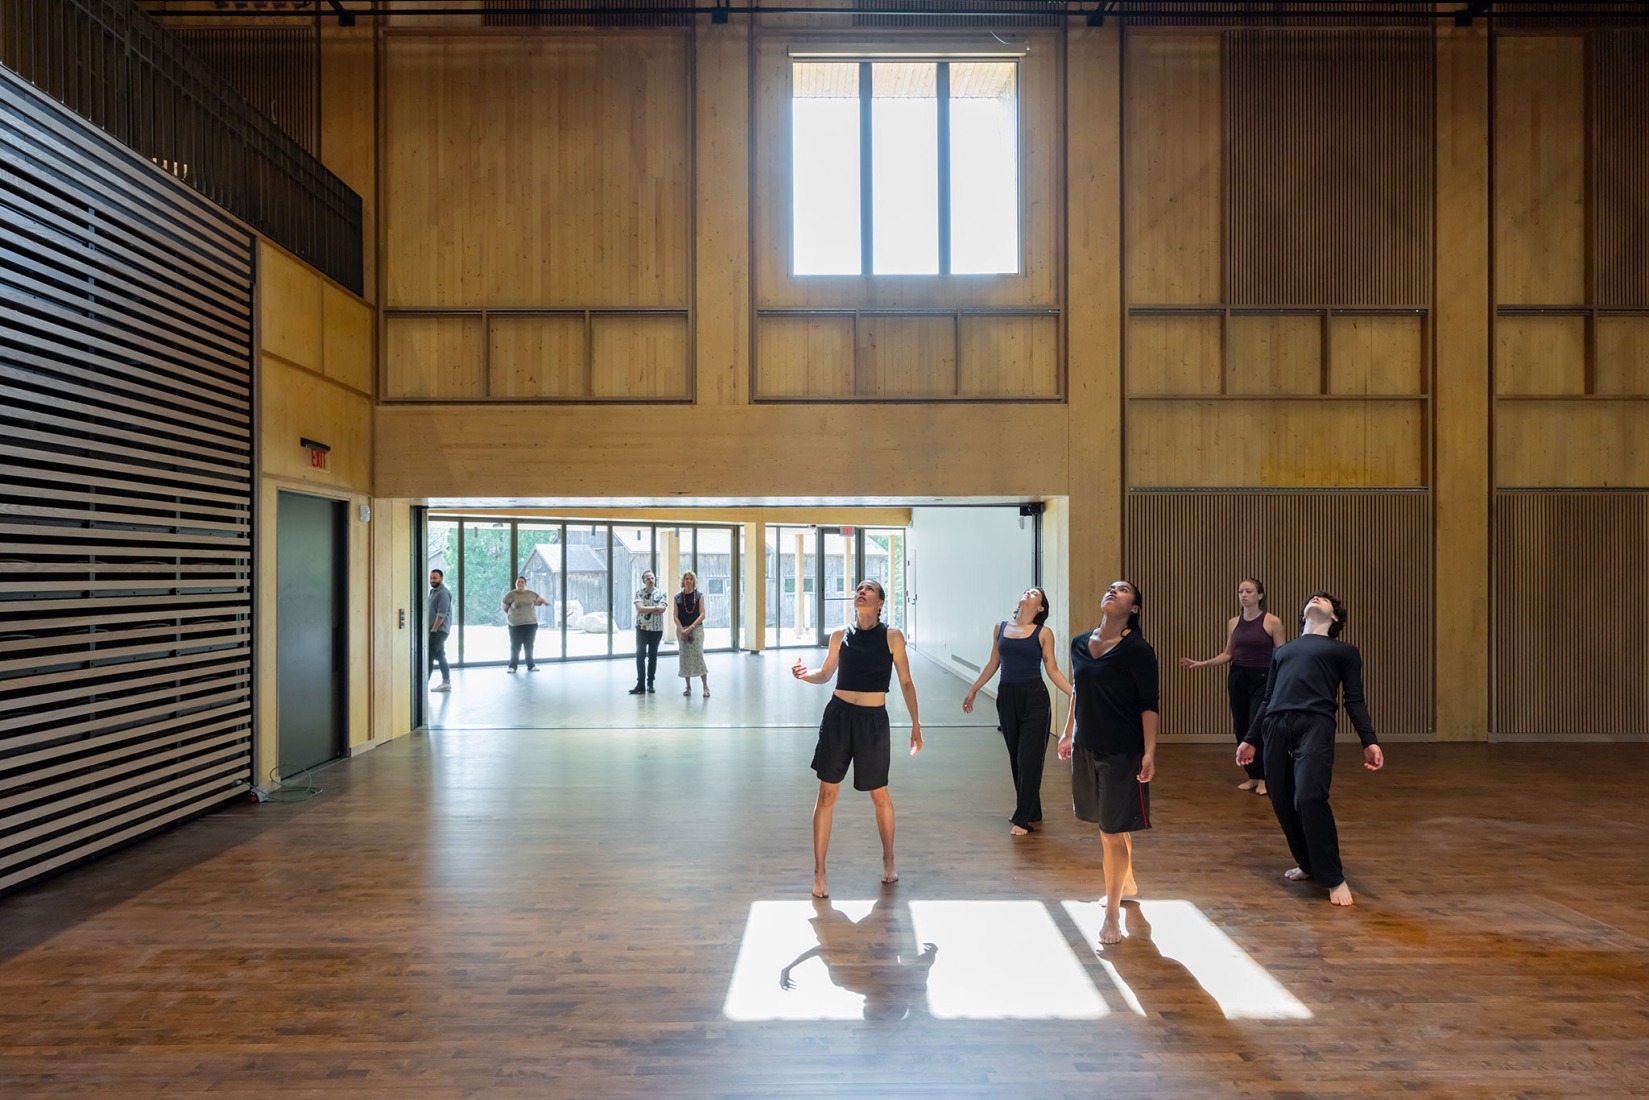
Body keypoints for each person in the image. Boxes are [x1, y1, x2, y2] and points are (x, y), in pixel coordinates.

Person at [1237, 591, 1384, 907]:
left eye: (1324, 600)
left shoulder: (1344, 651)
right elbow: (1267, 698)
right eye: (1312, 599)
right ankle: (1307, 863)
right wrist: (1250, 738)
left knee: (1308, 796)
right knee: (1280, 797)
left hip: (1315, 724)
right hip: (1275, 724)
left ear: (1335, 619)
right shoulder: (1284, 651)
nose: (1316, 598)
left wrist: (1368, 740)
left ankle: (1333, 876)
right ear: (1303, 616)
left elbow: (1353, 699)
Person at [791, 580, 923, 899]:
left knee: (880, 795)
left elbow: (905, 682)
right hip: (838, 717)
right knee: (826, 795)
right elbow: (825, 674)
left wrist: (916, 724)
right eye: (858, 588)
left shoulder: (892, 636)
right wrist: (804, 674)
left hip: (873, 722)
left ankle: (888, 859)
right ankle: (820, 872)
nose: (861, 591)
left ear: (880, 602)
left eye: (869, 589)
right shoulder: (839, 635)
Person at [1059, 580, 1157, 946]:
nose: (1113, 591)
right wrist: (1068, 732)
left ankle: (1113, 913)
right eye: (1111, 587)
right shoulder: (1080, 643)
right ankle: (1127, 882)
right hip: (1086, 746)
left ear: (1134, 608)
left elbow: (1149, 703)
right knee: (1108, 825)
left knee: (1110, 832)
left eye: (1125, 589)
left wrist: (1150, 752)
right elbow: (1078, 690)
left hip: (1123, 751)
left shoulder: (1138, 650)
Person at [962, 587, 1075, 835]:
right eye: (1026, 591)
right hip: (1007, 697)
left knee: (1029, 758)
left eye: (1034, 593)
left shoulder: (1043, 633)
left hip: (1035, 698)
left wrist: (1074, 692)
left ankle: (1023, 818)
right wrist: (974, 689)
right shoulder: (1000, 628)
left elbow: (1052, 669)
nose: (1028, 593)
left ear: (1041, 607)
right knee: (1016, 757)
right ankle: (1032, 810)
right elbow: (994, 663)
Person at [1179, 578, 1287, 796]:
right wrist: (1202, 663)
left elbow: (1282, 655)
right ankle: (1253, 776)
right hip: (1238, 676)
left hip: (1264, 678)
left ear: (1260, 595)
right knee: (1241, 726)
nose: (1243, 595)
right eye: (1240, 591)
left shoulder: (1272, 621)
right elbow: (1229, 654)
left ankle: (1265, 777)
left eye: (1248, 591)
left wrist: (1283, 681)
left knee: (1257, 727)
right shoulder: (1233, 622)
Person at [629, 570, 667, 695]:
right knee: (640, 655)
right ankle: (640, 684)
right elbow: (640, 609)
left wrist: (648, 609)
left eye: (652, 578)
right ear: (643, 581)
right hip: (642, 629)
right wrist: (656, 608)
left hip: (656, 629)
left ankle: (650, 683)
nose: (650, 580)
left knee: (653, 656)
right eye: (648, 578)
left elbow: (662, 610)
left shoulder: (661, 593)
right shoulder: (639, 593)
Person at [501, 575, 548, 672]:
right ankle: (512, 666)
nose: (520, 584)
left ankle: (531, 666)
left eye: (522, 582)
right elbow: (505, 608)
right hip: (515, 625)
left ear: (525, 584)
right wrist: (514, 615)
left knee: (529, 645)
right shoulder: (510, 595)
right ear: (515, 584)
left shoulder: (531, 594)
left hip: (530, 624)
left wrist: (544, 602)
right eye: (518, 582)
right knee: (515, 646)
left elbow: (540, 601)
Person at [674, 569, 709, 697]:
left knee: (698, 655)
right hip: (682, 630)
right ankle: (688, 687)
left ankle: (705, 686)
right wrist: (682, 629)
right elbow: (675, 616)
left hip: (696, 630)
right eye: (686, 578)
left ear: (694, 581)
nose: (688, 581)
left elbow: (702, 615)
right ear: (683, 581)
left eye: (690, 578)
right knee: (685, 657)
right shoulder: (677, 598)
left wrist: (691, 628)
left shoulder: (699, 596)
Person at [427, 568, 453, 693]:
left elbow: (441, 614)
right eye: (431, 578)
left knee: (429, 655)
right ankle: (446, 682)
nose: (432, 580)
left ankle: (423, 683)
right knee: (440, 655)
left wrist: (434, 629)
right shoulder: (433, 592)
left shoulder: (443, 593)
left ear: (441, 579)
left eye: (435, 578)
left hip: (439, 630)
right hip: (434, 629)